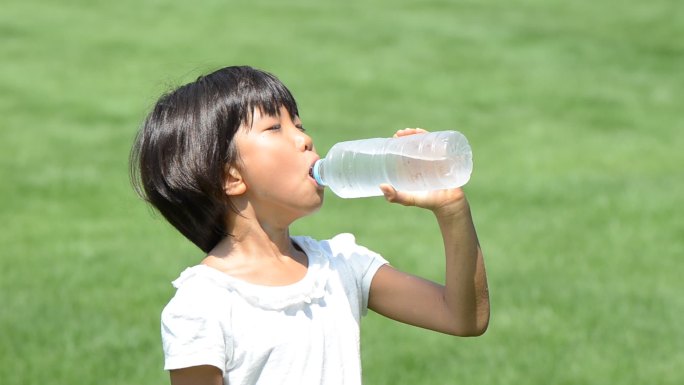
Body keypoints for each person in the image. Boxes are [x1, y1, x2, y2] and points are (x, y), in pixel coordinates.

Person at [130, 65, 490, 385]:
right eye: (275, 128)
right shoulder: (203, 304)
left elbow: (463, 317)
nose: (305, 139)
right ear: (230, 176)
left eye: (299, 125)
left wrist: (452, 211)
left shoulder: (341, 264)